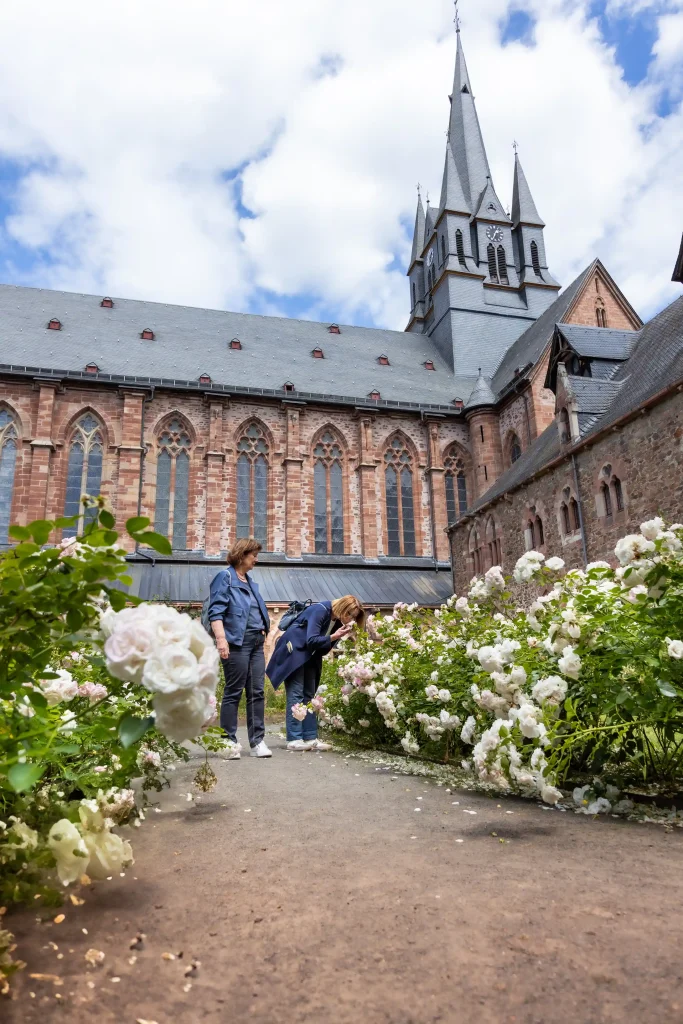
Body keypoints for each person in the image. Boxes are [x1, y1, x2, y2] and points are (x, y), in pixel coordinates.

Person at [266, 596, 365, 751]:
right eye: (350, 614)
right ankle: (294, 739)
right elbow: (311, 640)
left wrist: (335, 636)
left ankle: (310, 738)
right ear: (342, 608)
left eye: (354, 617)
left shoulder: (337, 620)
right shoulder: (320, 610)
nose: (350, 619)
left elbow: (324, 648)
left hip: (310, 657)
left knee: (309, 696)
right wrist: (334, 636)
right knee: (296, 694)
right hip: (295, 654)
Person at [208, 538, 272, 759]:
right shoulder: (225, 577)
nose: (256, 559)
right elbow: (215, 611)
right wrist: (221, 639)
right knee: (234, 691)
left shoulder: (250, 582)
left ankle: (257, 742)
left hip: (256, 643)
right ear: (242, 555)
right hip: (237, 642)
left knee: (257, 692)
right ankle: (228, 742)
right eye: (253, 555)